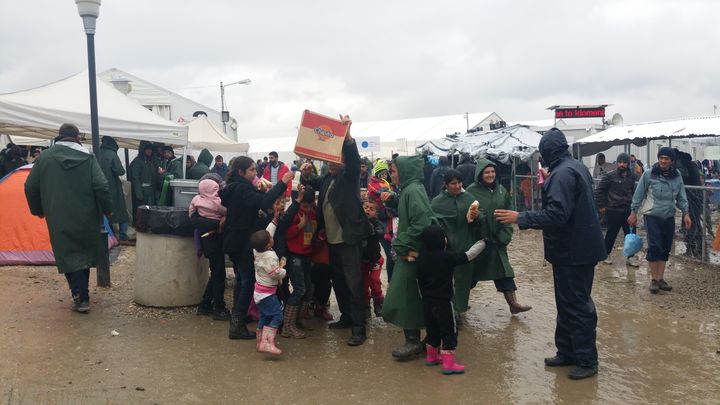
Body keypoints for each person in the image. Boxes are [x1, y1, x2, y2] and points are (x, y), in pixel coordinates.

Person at [495, 128, 606, 380]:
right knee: (567, 303)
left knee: (577, 305)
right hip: (577, 249)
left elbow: (557, 215)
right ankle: (567, 352)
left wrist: (519, 217)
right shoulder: (573, 167)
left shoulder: (562, 174)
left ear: (547, 151)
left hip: (573, 251)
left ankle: (587, 360)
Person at [24, 123, 112, 313]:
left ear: (59, 137)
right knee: (83, 253)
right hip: (86, 214)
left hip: (57, 215)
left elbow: (30, 187)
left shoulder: (45, 158)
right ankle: (82, 295)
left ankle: (79, 296)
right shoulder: (88, 158)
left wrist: (38, 210)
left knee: (68, 254)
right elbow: (102, 186)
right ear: (77, 138)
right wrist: (108, 210)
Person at [299, 114, 370, 346]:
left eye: (335, 160)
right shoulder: (328, 179)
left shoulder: (349, 178)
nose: (332, 163)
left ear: (344, 163)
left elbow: (352, 156)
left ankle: (359, 329)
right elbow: (311, 183)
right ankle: (347, 319)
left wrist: (348, 137)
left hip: (348, 240)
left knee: (354, 283)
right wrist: (305, 171)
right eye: (329, 161)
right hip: (331, 241)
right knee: (339, 281)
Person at [220, 156, 293, 340]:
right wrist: (282, 184)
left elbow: (257, 201)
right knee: (247, 283)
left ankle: (239, 321)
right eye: (252, 170)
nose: (255, 173)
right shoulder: (241, 188)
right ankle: (237, 326)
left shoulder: (235, 187)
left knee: (241, 281)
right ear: (241, 172)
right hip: (242, 242)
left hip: (235, 241)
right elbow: (263, 202)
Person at [381, 154, 435, 359]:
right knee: (411, 296)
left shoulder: (413, 191)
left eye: (393, 172)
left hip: (412, 252)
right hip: (410, 250)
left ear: (404, 172)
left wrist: (402, 243)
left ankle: (415, 341)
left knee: (404, 296)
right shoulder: (409, 189)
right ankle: (426, 340)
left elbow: (421, 222)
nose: (391, 176)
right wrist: (394, 198)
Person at [417, 224, 485, 375]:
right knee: (449, 330)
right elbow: (468, 255)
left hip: (427, 302)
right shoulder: (447, 257)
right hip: (444, 302)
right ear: (442, 240)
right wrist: (482, 243)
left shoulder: (421, 257)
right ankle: (449, 365)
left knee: (432, 329)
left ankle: (432, 357)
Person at [466, 160, 532, 315]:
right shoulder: (470, 191)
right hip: (478, 241)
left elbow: (509, 213)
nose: (490, 175)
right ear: (480, 174)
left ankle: (513, 304)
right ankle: (458, 306)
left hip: (497, 241)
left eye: (493, 172)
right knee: (470, 276)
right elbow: (467, 214)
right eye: (487, 172)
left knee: (504, 271)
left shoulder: (502, 190)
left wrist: (505, 236)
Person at [628, 147, 691, 293]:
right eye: (661, 157)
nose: (663, 160)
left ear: (671, 161)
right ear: (658, 159)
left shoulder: (677, 176)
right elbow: (638, 195)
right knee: (655, 246)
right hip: (652, 215)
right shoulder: (649, 174)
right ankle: (654, 280)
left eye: (666, 158)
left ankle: (661, 278)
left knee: (665, 247)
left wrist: (686, 213)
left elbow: (681, 196)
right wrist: (633, 212)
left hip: (669, 215)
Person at [431, 169, 482, 318]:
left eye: (460, 182)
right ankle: (446, 308)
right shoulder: (437, 202)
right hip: (445, 248)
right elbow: (432, 222)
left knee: (463, 279)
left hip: (465, 244)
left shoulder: (469, 199)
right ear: (445, 184)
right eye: (454, 183)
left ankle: (458, 311)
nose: (458, 186)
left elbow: (481, 217)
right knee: (445, 279)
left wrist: (477, 215)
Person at [189, 179, 230, 321]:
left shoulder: (196, 200)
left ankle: (205, 304)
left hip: (207, 241)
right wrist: (218, 224)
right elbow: (226, 211)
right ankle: (218, 307)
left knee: (217, 273)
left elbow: (192, 216)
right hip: (213, 242)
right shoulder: (217, 202)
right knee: (219, 274)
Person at [282, 186, 318, 338]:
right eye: (305, 206)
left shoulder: (313, 214)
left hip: (307, 255)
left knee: (308, 289)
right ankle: (287, 326)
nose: (308, 209)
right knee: (299, 290)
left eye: (310, 206)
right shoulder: (294, 214)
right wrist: (300, 226)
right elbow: (287, 234)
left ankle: (297, 321)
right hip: (295, 256)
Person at [593, 153, 640, 267]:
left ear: (628, 163)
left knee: (631, 234)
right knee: (611, 234)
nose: (622, 164)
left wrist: (634, 209)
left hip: (628, 210)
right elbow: (599, 191)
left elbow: (634, 192)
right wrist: (601, 206)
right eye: (620, 162)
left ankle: (631, 257)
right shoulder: (610, 176)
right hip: (613, 210)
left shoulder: (632, 176)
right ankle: (606, 254)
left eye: (624, 162)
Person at [250, 228, 287, 355]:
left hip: (259, 292)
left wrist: (275, 220)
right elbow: (275, 274)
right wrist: (284, 271)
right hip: (267, 294)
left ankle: (260, 342)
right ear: (268, 244)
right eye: (269, 237)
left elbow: (268, 230)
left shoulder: (256, 250)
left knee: (265, 316)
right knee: (278, 316)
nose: (271, 236)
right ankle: (267, 343)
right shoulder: (270, 257)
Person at [367, 159, 396, 280]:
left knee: (392, 253)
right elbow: (379, 198)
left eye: (388, 172)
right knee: (390, 253)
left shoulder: (386, 183)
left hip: (389, 220)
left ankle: (392, 280)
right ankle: (390, 280)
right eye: (383, 173)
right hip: (382, 220)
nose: (386, 175)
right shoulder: (374, 185)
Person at [99, 137, 130, 241]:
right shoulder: (112, 154)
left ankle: (110, 235)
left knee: (104, 212)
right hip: (113, 187)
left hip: (99, 187)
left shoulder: (95, 152)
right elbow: (120, 171)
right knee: (121, 212)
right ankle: (122, 235)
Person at [675, 150, 704, 259]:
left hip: (690, 195)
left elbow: (681, 176)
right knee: (694, 220)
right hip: (697, 194)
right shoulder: (691, 163)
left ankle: (691, 247)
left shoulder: (679, 162)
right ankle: (698, 246)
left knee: (691, 221)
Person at [361, 200, 385, 317]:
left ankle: (378, 302)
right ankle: (366, 305)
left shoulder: (377, 223)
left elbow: (381, 232)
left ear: (376, 213)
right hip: (362, 260)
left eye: (371, 209)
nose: (368, 210)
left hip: (375, 258)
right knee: (364, 283)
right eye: (366, 207)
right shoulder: (358, 223)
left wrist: (373, 231)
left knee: (375, 280)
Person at [129, 141, 159, 224]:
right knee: (141, 214)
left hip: (150, 193)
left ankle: (146, 226)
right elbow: (135, 178)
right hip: (142, 194)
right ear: (142, 150)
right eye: (147, 149)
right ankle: (140, 227)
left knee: (148, 213)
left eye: (151, 149)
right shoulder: (137, 161)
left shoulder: (150, 161)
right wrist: (139, 194)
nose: (150, 151)